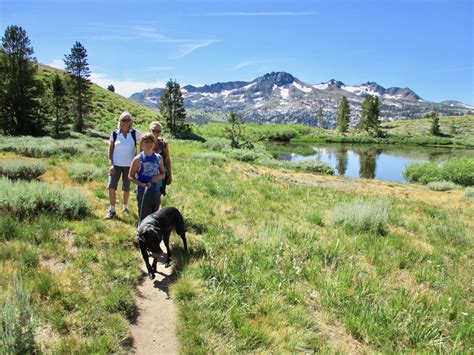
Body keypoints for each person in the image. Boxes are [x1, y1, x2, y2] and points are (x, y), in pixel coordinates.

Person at [105, 111, 141, 219]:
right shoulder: (115, 134)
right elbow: (110, 150)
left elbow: (147, 138)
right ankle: (112, 210)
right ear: (120, 121)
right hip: (116, 165)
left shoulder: (135, 134)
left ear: (131, 122)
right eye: (123, 120)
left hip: (130, 166)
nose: (125, 122)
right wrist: (111, 164)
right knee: (111, 186)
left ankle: (125, 207)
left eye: (128, 120)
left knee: (126, 187)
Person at [128, 133, 165, 221]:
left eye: (151, 142)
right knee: (144, 216)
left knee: (155, 216)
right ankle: (140, 233)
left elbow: (163, 173)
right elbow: (130, 176)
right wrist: (142, 184)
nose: (149, 144)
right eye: (146, 142)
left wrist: (158, 177)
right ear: (141, 144)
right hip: (143, 192)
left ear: (154, 144)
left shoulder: (158, 158)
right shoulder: (138, 159)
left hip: (156, 191)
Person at [149, 121, 172, 195]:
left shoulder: (164, 144)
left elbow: (168, 160)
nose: (156, 133)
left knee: (158, 195)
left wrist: (170, 175)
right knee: (147, 196)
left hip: (161, 175)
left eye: (158, 131)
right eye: (154, 130)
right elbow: (140, 159)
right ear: (149, 130)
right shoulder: (145, 142)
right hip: (148, 174)